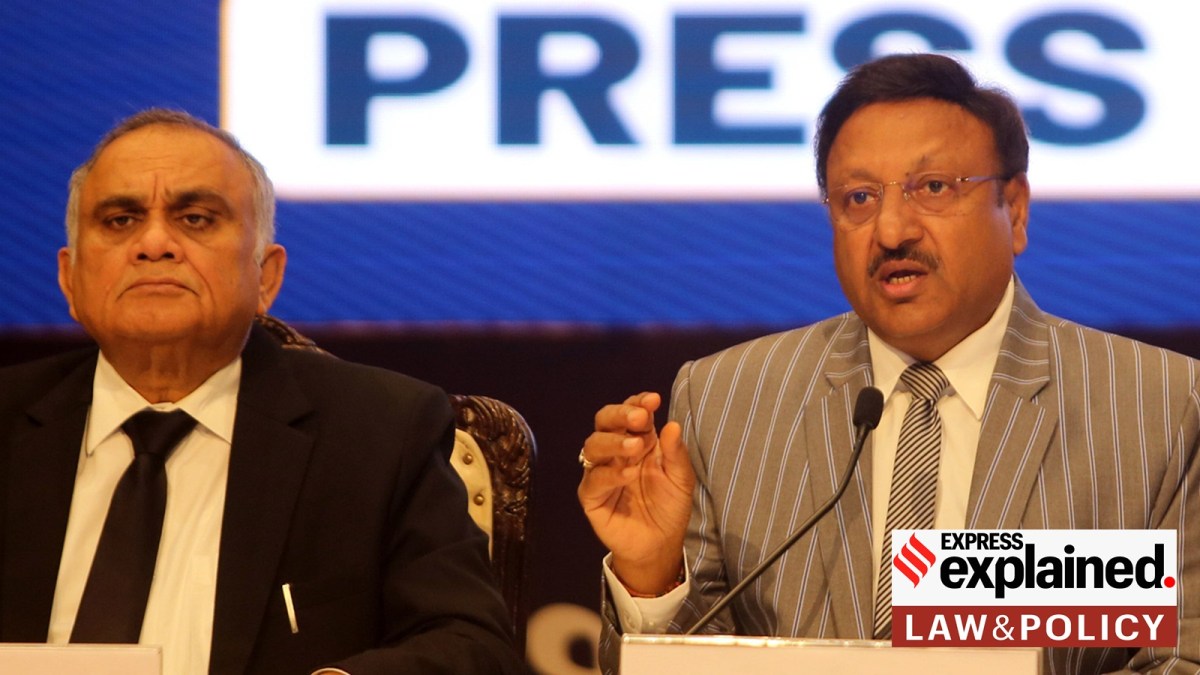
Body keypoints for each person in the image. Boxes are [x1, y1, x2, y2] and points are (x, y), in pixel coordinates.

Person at [577, 53, 1199, 674]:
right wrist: (653, 577)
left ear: (1016, 209)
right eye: (859, 197)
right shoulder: (723, 401)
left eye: (933, 188)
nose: (892, 228)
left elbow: (1183, 660)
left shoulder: (1164, 409)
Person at [0, 109, 524, 674]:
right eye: (121, 220)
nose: (154, 243)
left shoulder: (379, 432)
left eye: (196, 218)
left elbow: (472, 645)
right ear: (69, 279)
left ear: (265, 277)